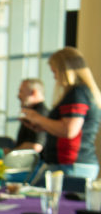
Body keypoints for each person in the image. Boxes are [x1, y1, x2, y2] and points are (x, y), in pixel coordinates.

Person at [20, 47, 101, 179]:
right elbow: (65, 127)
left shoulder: (78, 93)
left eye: (55, 71)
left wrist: (37, 118)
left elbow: (69, 130)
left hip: (71, 165)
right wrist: (42, 126)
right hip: (70, 165)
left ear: (65, 69)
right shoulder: (80, 93)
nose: (55, 77)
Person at [13, 78, 47, 153]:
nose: (18, 95)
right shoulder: (36, 113)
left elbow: (35, 146)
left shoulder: (39, 115)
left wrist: (11, 153)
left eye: (21, 91)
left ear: (33, 93)